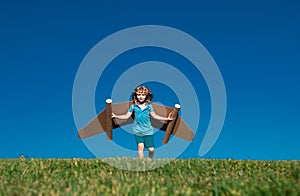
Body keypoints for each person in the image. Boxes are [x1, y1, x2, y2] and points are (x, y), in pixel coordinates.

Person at [112, 86, 173, 159]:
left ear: (146, 96)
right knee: (140, 146)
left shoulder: (149, 106)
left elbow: (155, 116)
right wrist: (116, 116)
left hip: (148, 130)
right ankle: (141, 162)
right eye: (139, 95)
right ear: (136, 96)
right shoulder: (133, 107)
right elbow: (126, 116)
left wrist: (166, 118)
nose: (141, 97)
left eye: (143, 95)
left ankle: (150, 160)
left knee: (151, 149)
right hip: (138, 129)